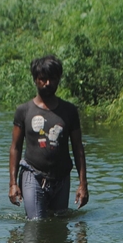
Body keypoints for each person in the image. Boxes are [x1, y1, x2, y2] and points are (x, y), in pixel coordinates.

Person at [9, 55, 88, 220]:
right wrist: (13, 183)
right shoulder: (24, 111)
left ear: (58, 79)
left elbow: (78, 148)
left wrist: (83, 184)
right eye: (42, 79)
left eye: (52, 79)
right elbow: (15, 147)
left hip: (61, 178)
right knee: (36, 222)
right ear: (35, 80)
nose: (47, 83)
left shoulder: (69, 111)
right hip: (33, 174)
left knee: (58, 223)